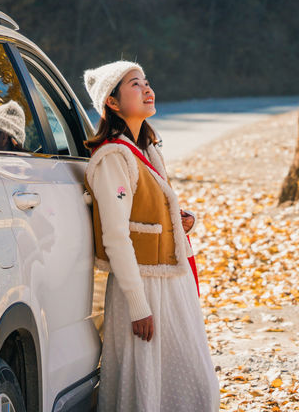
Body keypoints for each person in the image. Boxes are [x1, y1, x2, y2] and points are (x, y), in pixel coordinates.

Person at [83, 60, 220, 412]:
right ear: (111, 103)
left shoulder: (147, 149)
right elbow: (115, 236)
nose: (146, 88)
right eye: (134, 84)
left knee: (191, 386)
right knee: (146, 389)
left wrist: (180, 219)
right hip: (143, 289)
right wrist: (137, 305)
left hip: (170, 285)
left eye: (146, 82)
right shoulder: (114, 157)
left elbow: (149, 208)